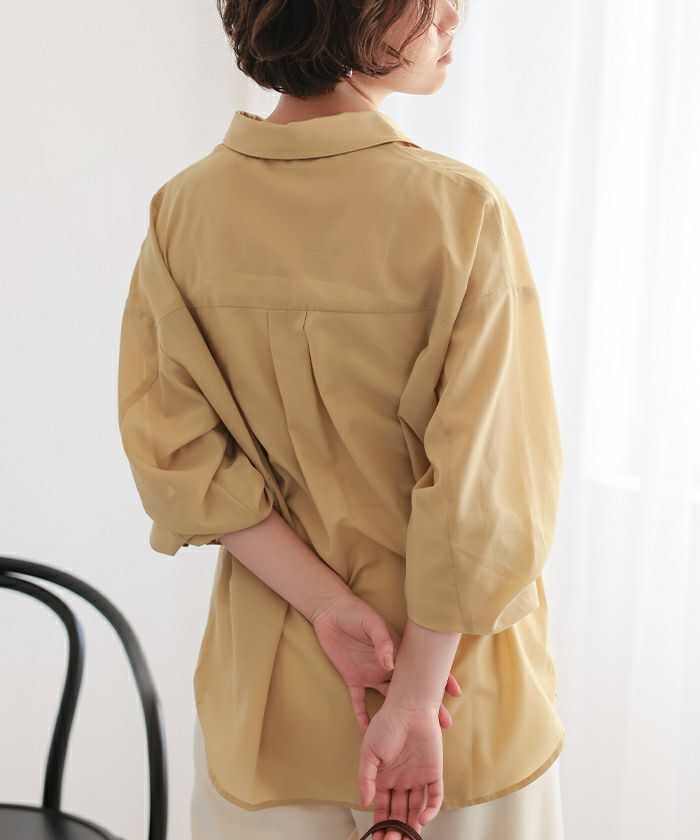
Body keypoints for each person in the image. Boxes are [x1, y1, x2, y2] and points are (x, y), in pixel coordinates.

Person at [116, 1, 566, 838]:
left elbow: (176, 460)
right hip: (455, 708)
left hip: (269, 701)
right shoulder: (460, 212)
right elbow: (488, 492)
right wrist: (417, 698)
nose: (455, 15)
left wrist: (326, 604)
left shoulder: (182, 212)